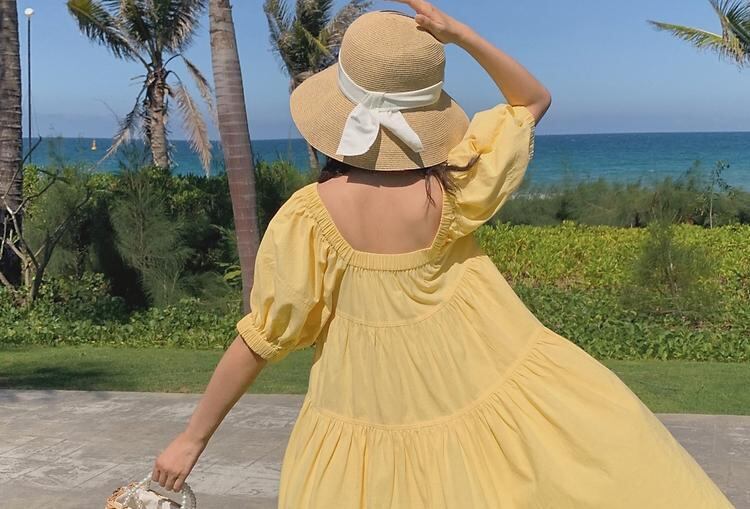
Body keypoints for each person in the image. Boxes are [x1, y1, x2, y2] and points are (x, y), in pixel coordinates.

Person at [150, 2, 735, 508]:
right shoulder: (455, 186)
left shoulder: (309, 216)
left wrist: (191, 439)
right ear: (426, 111)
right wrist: (461, 34)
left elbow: (263, 337)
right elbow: (533, 99)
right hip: (473, 385)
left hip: (357, 422)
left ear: (341, 106)